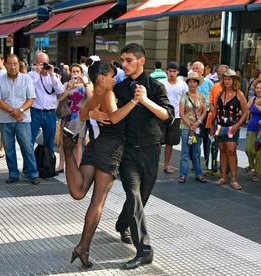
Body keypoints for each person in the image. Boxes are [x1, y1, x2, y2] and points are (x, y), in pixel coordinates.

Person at [64, 60, 136, 268]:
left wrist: (93, 113)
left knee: (79, 192)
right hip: (111, 148)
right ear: (101, 78)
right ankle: (82, 247)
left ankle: (69, 152)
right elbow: (113, 117)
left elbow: (83, 113)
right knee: (98, 201)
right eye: (112, 76)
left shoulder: (95, 94)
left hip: (96, 146)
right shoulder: (108, 93)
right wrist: (133, 102)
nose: (115, 79)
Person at [110, 43, 174, 269]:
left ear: (141, 61)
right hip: (127, 151)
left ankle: (122, 223)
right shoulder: (119, 89)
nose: (124, 64)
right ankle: (144, 250)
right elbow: (112, 115)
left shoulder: (155, 87)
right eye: (122, 60)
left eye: (128, 60)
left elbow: (167, 115)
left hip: (151, 148)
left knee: (142, 197)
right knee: (134, 195)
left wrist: (145, 100)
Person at [0, 54, 39, 185]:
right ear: (5, 64)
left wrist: (19, 111)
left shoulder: (26, 79)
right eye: (10, 64)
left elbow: (31, 99)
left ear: (19, 65)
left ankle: (32, 173)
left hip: (23, 120)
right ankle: (13, 174)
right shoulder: (0, 80)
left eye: (15, 63)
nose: (13, 66)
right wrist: (11, 111)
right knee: (9, 149)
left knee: (27, 147)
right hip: (5, 120)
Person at [55, 64, 93, 172]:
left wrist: (84, 83)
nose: (75, 73)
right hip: (67, 117)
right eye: (73, 71)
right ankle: (61, 165)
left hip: (79, 118)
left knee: (78, 144)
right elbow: (60, 98)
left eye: (77, 71)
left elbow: (91, 98)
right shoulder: (67, 84)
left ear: (81, 73)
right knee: (63, 143)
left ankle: (77, 166)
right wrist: (69, 88)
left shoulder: (86, 85)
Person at [214, 69, 248, 190]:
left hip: (232, 126)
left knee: (231, 151)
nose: (227, 81)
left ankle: (233, 179)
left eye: (229, 79)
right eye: (225, 79)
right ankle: (223, 176)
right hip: (219, 126)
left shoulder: (239, 94)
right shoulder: (220, 93)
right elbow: (215, 111)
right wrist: (212, 126)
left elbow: (245, 112)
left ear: (234, 80)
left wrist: (238, 125)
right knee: (222, 150)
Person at [28, 52, 65, 151]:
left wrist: (52, 74)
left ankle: (47, 165)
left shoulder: (53, 76)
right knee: (29, 142)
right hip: (35, 112)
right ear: (35, 63)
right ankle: (30, 166)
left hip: (50, 114)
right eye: (40, 63)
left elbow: (61, 91)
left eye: (44, 63)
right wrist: (37, 73)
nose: (43, 66)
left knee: (49, 143)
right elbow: (28, 89)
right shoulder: (31, 75)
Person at [178, 71, 208, 183]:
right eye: (190, 81)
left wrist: (197, 122)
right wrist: (190, 125)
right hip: (186, 127)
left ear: (197, 83)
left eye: (194, 81)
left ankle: (198, 173)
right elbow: (181, 113)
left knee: (196, 151)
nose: (192, 84)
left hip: (197, 127)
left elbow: (205, 111)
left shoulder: (201, 96)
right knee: (185, 151)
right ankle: (182, 174)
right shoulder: (184, 96)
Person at [160, 62, 188, 174]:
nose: (171, 73)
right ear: (166, 71)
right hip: (161, 115)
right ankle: (152, 163)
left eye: (174, 71)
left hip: (176, 117)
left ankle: (166, 165)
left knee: (170, 142)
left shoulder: (183, 85)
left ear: (177, 72)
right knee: (157, 141)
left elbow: (185, 100)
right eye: (170, 71)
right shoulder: (161, 83)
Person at [205, 64, 229, 175]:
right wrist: (215, 114)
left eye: (223, 74)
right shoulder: (215, 87)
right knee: (214, 143)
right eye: (219, 73)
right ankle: (212, 167)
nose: (220, 75)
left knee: (227, 145)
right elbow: (210, 102)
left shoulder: (234, 88)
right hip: (216, 122)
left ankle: (225, 169)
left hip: (228, 122)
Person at [244, 79, 261, 182]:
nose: (259, 90)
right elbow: (245, 109)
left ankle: (256, 172)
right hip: (251, 126)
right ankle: (251, 165)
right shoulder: (253, 99)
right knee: (249, 149)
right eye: (257, 88)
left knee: (259, 152)